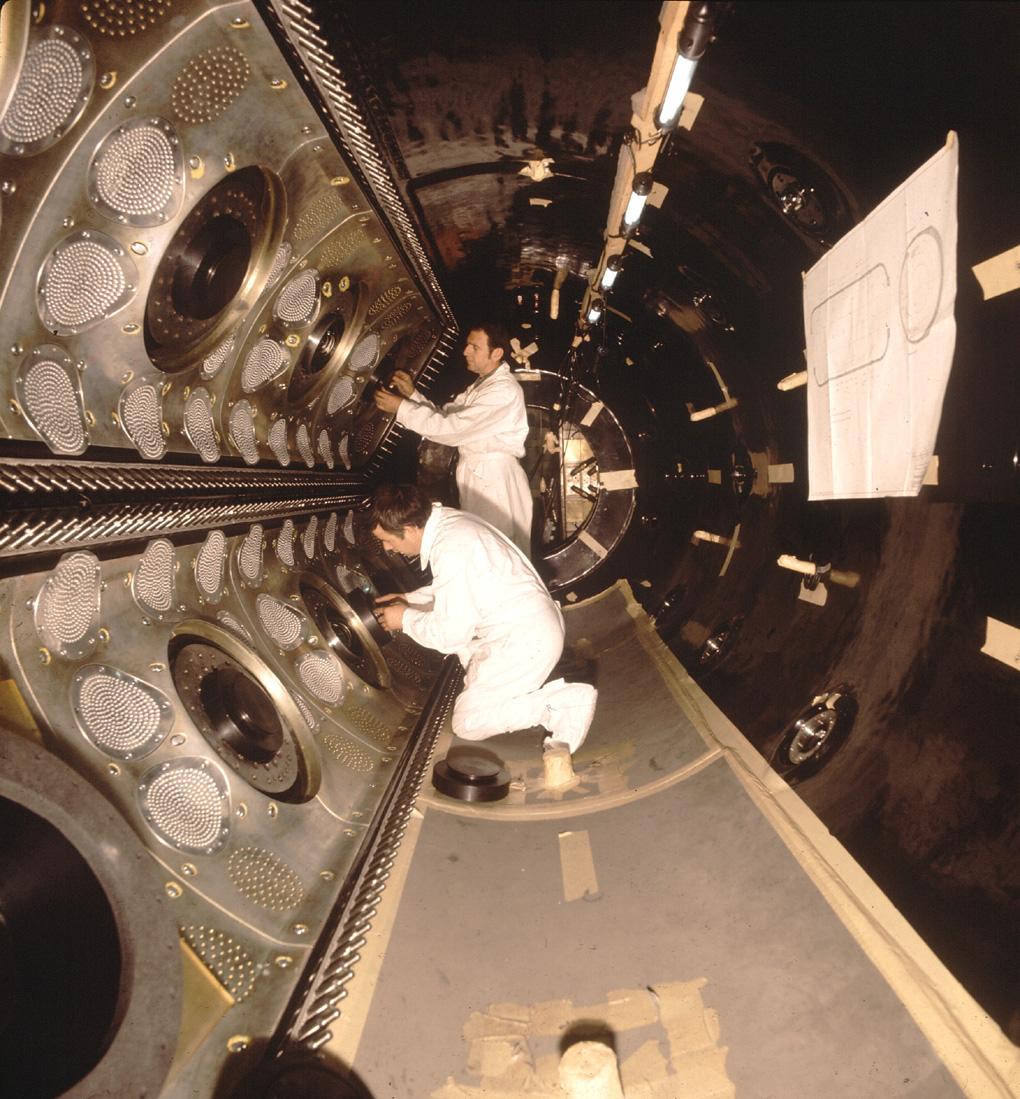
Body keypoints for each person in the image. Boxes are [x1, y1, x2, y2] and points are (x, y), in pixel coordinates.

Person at [369, 484, 596, 752]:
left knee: (469, 722)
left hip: (524, 641)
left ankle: (560, 704)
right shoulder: (449, 524)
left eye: (388, 540)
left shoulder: (451, 548)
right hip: (528, 626)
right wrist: (410, 600)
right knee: (473, 670)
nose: (387, 548)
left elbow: (450, 633)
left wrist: (405, 619)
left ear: (409, 529)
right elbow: (464, 588)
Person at [373, 324, 533, 557]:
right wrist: (412, 395)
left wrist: (401, 407)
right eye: (468, 345)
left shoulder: (503, 391)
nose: (465, 351)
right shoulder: (481, 385)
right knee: (483, 549)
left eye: (474, 347)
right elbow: (447, 415)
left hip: (494, 480)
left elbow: (452, 429)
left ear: (496, 353)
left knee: (496, 551)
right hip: (480, 476)